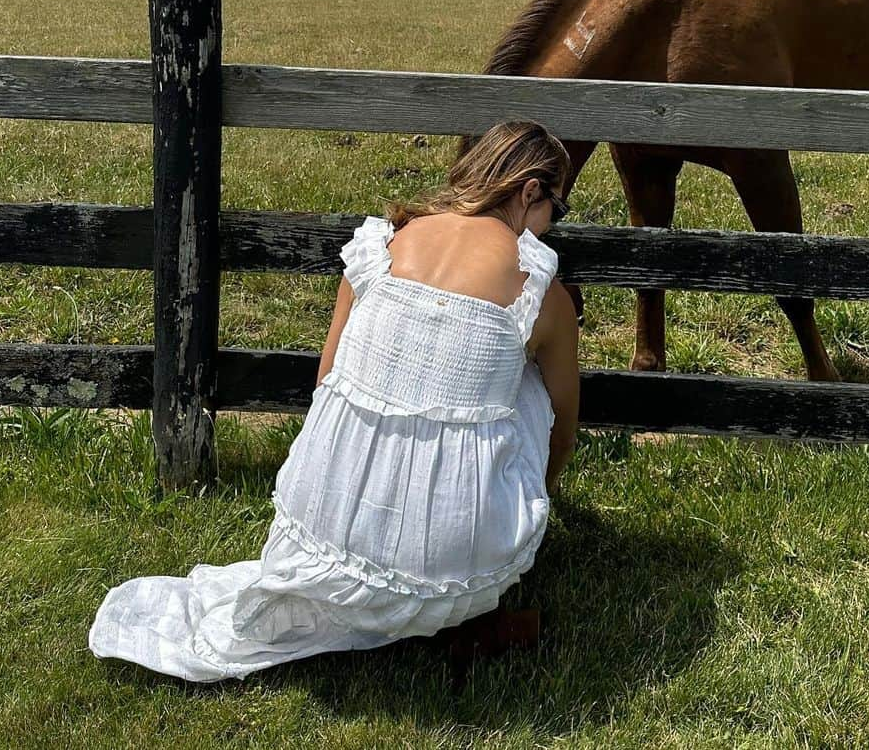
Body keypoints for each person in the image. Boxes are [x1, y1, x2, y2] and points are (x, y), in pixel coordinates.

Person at [87, 120, 581, 683]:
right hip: (454, 564)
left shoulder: (383, 245)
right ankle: (464, 552)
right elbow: (563, 427)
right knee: (531, 386)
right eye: (555, 212)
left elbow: (328, 381)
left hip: (317, 524)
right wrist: (537, 499)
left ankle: (373, 538)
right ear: (530, 191)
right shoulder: (541, 292)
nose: (549, 231)